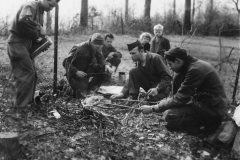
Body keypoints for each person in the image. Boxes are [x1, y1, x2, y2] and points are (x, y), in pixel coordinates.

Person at [141, 47, 228, 136]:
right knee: (169, 111)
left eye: (170, 64)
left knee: (169, 116)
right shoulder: (187, 67)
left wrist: (154, 108)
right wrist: (165, 102)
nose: (170, 68)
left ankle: (204, 129)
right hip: (203, 104)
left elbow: (180, 98)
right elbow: (176, 97)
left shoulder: (195, 70)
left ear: (178, 61)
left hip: (214, 110)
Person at [7, 0, 60, 112]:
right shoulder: (31, 5)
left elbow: (30, 32)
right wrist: (39, 27)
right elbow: (24, 19)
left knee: (32, 74)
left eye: (53, 7)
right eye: (50, 5)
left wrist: (41, 42)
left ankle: (28, 102)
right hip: (17, 43)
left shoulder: (40, 10)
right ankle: (21, 108)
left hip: (26, 44)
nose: (51, 9)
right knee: (27, 73)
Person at [62, 33, 114, 99]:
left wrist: (107, 66)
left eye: (100, 47)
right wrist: (76, 71)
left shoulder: (96, 46)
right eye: (97, 47)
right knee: (82, 95)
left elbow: (100, 57)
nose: (99, 49)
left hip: (87, 70)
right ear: (92, 43)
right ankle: (74, 88)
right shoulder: (79, 48)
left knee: (104, 70)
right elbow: (65, 62)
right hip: (74, 74)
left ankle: (91, 89)